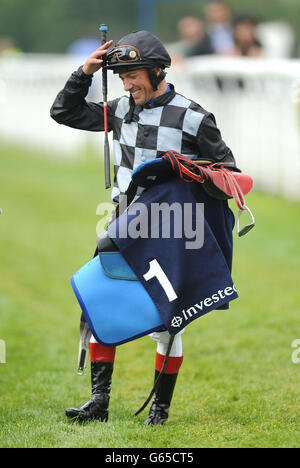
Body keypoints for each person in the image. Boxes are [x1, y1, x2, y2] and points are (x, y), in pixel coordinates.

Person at [50, 30, 239, 425]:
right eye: (120, 76)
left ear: (156, 71)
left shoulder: (193, 116)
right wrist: (85, 72)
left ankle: (160, 410)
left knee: (168, 322)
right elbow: (64, 112)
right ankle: (99, 403)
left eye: (132, 74)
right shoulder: (119, 109)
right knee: (101, 303)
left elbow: (230, 175)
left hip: (172, 231)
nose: (126, 84)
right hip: (123, 224)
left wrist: (192, 174)